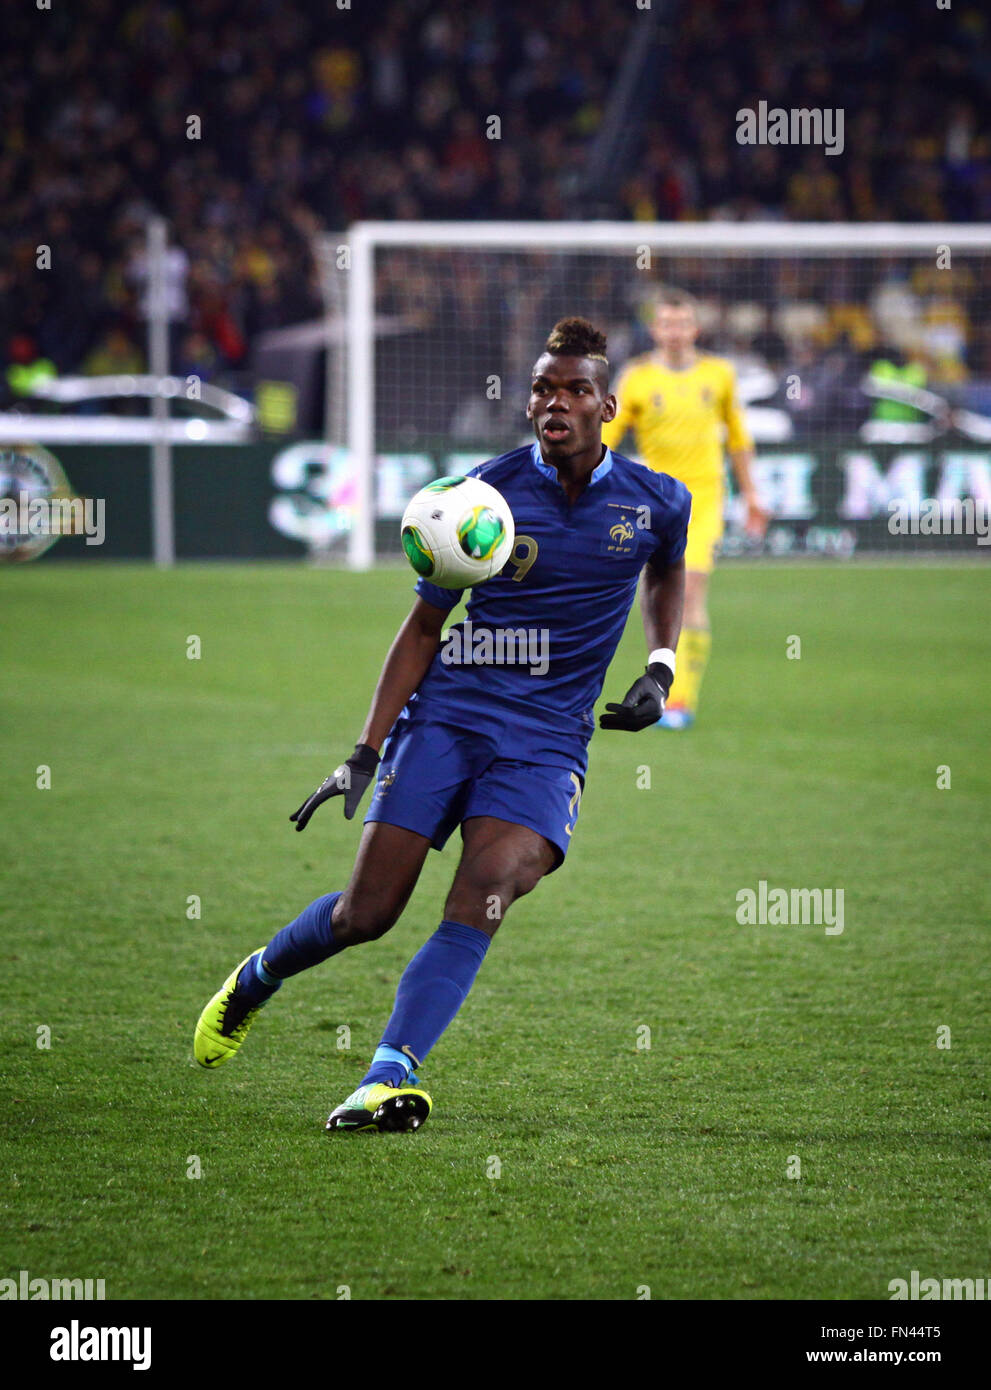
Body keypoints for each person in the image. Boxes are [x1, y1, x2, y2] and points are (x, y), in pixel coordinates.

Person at [193, 317, 690, 1133]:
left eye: (572, 390)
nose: (552, 403)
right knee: (367, 914)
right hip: (450, 719)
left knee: (488, 888)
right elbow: (424, 627)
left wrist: (660, 667)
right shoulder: (479, 499)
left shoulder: (654, 502)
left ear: (607, 406)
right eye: (540, 389)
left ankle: (387, 1074)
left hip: (546, 741)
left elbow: (667, 570)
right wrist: (364, 749)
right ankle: (256, 976)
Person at [601, 289, 767, 728]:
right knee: (655, 594)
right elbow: (608, 439)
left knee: (690, 590)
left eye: (682, 323)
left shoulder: (720, 374)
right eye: (666, 323)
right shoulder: (636, 378)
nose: (674, 331)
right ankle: (662, 682)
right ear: (655, 329)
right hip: (653, 501)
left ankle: (679, 701)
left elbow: (738, 439)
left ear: (695, 328)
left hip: (706, 498)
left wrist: (753, 496)